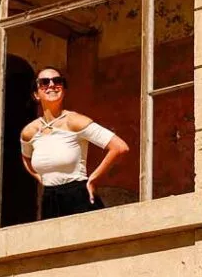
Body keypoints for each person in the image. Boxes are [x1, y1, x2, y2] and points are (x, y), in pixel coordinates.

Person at [20, 66, 129, 220]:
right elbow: (26, 158)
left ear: (63, 90)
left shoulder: (75, 121)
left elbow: (119, 147)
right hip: (49, 199)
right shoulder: (29, 132)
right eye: (44, 82)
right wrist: (40, 177)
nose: (51, 85)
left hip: (79, 196)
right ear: (36, 94)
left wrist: (93, 179)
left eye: (57, 81)